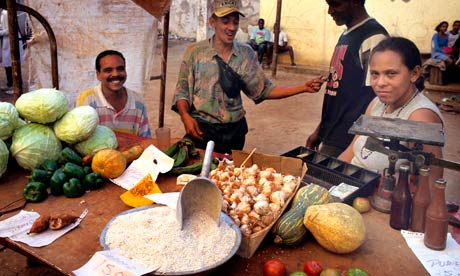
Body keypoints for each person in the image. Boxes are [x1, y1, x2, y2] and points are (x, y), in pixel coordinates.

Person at [172, 0, 324, 154]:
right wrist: (185, 116)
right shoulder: (195, 52)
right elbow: (182, 92)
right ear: (212, 22)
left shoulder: (246, 54)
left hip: (234, 133)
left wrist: (303, 87)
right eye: (225, 22)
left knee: (227, 174)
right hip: (201, 130)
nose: (232, 28)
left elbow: (263, 90)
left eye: (235, 22)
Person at [338, 36, 444, 185]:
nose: (380, 83)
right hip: (350, 187)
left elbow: (429, 186)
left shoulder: (421, 116)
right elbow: (351, 152)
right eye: (375, 74)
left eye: (391, 74)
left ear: (414, 74)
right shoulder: (377, 103)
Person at [306, 0, 388, 157]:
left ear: (355, 2)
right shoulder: (347, 35)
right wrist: (321, 130)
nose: (330, 11)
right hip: (332, 134)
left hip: (348, 139)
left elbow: (376, 98)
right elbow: (339, 96)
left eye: (335, 4)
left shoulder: (373, 37)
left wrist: (354, 145)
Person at [77, 50, 151, 138]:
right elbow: (82, 138)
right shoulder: (87, 100)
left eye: (120, 69)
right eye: (108, 70)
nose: (115, 74)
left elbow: (145, 139)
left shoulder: (138, 101)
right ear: (98, 75)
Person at [0, 9, 25, 95]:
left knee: (12, 64)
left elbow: (9, 30)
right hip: (8, 41)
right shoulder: (4, 12)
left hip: (11, 41)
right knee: (8, 64)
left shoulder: (6, 13)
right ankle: (10, 84)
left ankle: (15, 86)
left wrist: (0, 32)